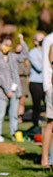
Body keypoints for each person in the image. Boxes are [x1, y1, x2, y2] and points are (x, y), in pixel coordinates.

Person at [0, 34, 28, 142]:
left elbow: (24, 56)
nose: (8, 47)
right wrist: (7, 90)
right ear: (0, 44)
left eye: (9, 45)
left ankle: (13, 133)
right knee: (0, 113)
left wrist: (22, 41)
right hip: (2, 91)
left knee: (14, 114)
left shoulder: (12, 56)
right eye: (6, 45)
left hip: (15, 90)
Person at [28, 32, 47, 130]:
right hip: (36, 83)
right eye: (40, 39)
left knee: (49, 104)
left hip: (46, 82)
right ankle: (36, 126)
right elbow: (39, 67)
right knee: (37, 106)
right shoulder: (32, 52)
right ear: (35, 41)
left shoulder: (47, 51)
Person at [41, 31, 53, 168]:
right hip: (51, 86)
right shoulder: (49, 40)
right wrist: (47, 87)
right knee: (50, 123)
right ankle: (45, 159)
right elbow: (46, 63)